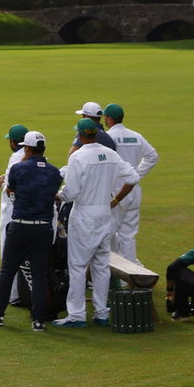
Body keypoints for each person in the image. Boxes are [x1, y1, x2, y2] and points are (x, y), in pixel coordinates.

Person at [55, 117, 139, 327]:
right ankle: (101, 312)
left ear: (80, 135)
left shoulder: (78, 157)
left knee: (78, 266)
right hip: (105, 213)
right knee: (101, 266)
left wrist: (59, 195)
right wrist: (115, 200)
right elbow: (133, 177)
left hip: (84, 215)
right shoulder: (110, 154)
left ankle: (76, 315)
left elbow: (71, 192)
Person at [0, 131, 63, 332]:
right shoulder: (54, 172)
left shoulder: (18, 168)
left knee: (8, 270)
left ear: (26, 148)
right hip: (44, 228)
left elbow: (10, 190)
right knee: (39, 274)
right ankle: (38, 321)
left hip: (21, 225)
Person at [102, 103, 159, 262]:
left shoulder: (108, 137)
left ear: (109, 118)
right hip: (133, 190)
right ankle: (130, 271)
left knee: (108, 233)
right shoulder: (135, 136)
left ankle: (111, 270)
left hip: (116, 192)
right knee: (128, 234)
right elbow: (153, 157)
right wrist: (136, 175)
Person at [0, 124, 30, 254]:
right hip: (30, 211)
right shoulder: (32, 153)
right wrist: (4, 176)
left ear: (13, 142)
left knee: (8, 249)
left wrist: (4, 183)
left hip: (13, 210)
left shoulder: (16, 157)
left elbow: (12, 187)